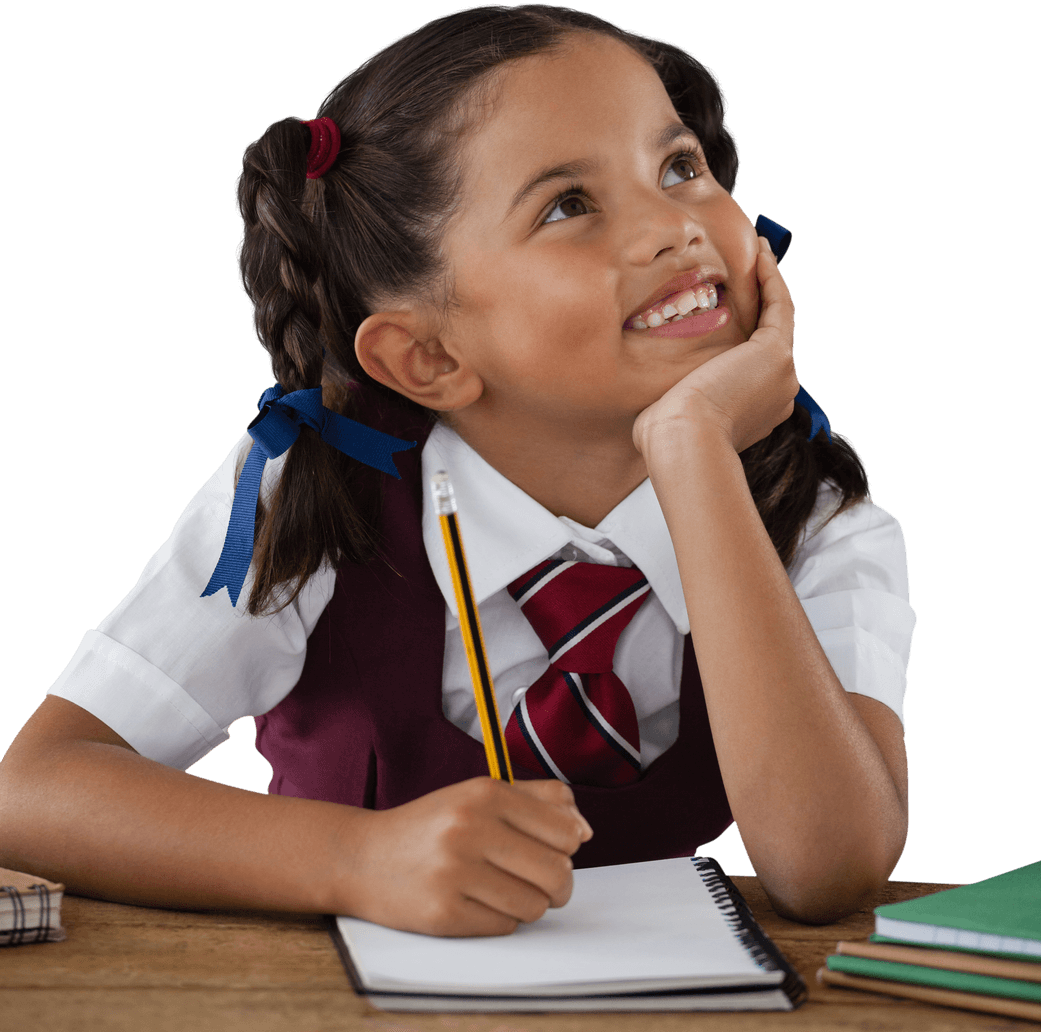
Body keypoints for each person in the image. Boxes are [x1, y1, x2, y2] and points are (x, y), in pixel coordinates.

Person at [0, 4, 914, 936]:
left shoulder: (811, 512)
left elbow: (830, 869)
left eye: (680, 166)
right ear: (426, 359)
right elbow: (32, 790)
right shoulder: (311, 488)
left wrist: (694, 453)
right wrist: (355, 860)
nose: (675, 228)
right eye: (569, 204)